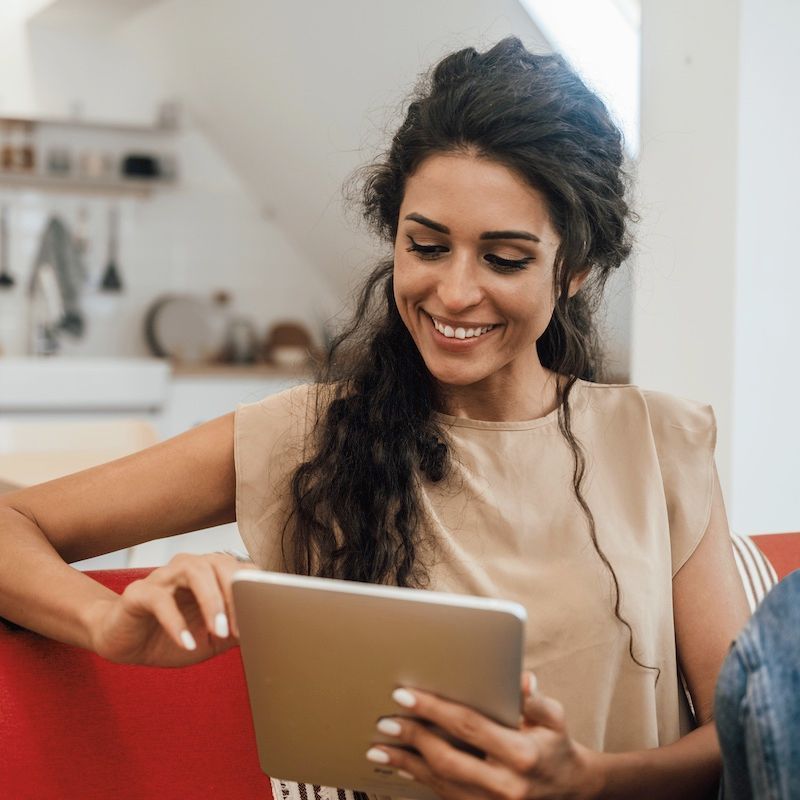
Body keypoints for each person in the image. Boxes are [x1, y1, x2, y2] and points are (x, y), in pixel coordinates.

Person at [0, 37, 754, 799]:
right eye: (426, 245)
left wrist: (588, 781)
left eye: (505, 259)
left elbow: (738, 731)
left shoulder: (662, 443)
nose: (455, 293)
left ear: (577, 268)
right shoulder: (307, 436)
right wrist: (107, 626)